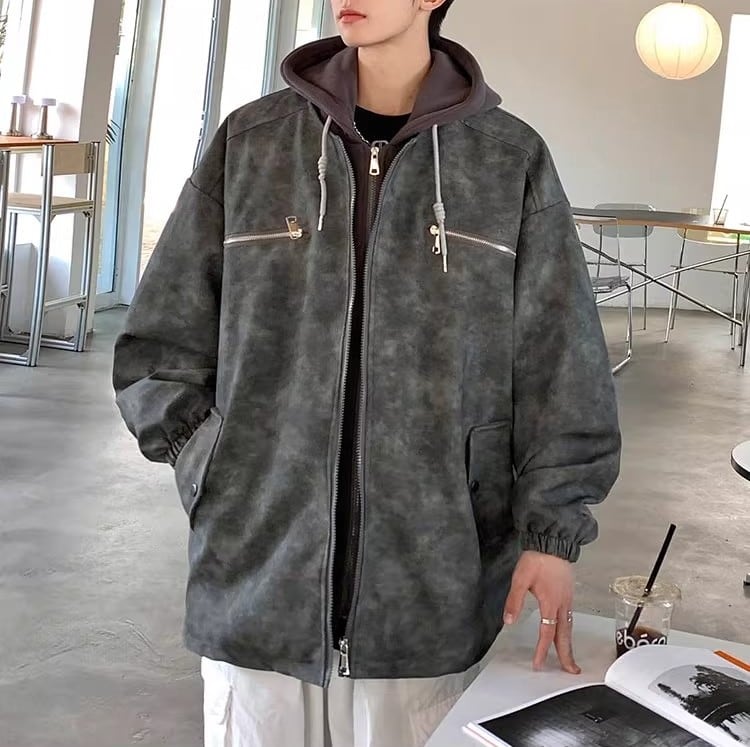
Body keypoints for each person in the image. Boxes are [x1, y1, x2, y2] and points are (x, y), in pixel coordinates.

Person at [112, 0, 621, 744]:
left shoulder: (508, 159)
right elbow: (158, 342)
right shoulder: (253, 142)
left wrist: (552, 531)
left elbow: (561, 364)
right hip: (256, 579)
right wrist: (215, 465)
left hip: (430, 588)